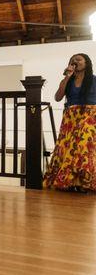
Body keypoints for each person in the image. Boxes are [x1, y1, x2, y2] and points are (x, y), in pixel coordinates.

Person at [43, 53, 96, 192]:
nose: (75, 61)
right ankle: (71, 181)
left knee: (83, 146)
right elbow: (58, 97)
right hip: (70, 117)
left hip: (89, 115)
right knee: (68, 148)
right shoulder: (68, 81)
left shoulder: (94, 80)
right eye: (73, 60)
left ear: (87, 63)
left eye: (78, 59)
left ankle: (84, 181)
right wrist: (67, 77)